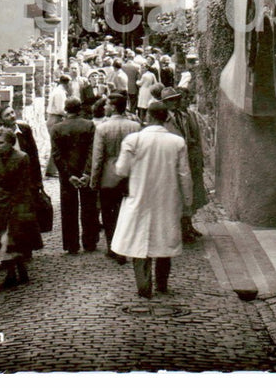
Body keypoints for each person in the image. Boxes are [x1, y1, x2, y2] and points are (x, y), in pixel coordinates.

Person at [111, 102, 192, 298]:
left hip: (140, 196)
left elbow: (121, 170)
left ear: (148, 117)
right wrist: (188, 201)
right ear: (166, 118)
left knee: (140, 241)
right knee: (165, 240)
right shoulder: (177, 142)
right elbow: (184, 174)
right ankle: (162, 284)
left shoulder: (134, 140)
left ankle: (143, 286)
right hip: (167, 197)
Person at [0, 127, 43, 287]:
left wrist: (19, 205)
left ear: (10, 143)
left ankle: (11, 274)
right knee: (0, 238)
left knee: (12, 238)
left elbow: (24, 184)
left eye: (1, 143)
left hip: (18, 200)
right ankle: (20, 269)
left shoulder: (22, 158)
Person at [90, 92, 140, 263]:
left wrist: (94, 181)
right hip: (130, 175)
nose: (104, 107)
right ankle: (126, 244)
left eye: (106, 105)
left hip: (108, 177)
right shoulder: (135, 126)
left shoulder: (102, 128)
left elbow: (97, 158)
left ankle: (113, 246)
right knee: (126, 211)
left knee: (108, 213)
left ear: (112, 107)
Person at [51, 97, 100, 255]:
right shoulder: (89, 125)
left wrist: (68, 175)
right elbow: (93, 151)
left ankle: (72, 244)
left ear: (66, 110)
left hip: (68, 175)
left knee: (68, 209)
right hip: (85, 173)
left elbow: (57, 155)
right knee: (89, 207)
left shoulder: (57, 128)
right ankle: (90, 241)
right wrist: (87, 172)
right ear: (80, 109)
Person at [162, 87, 207, 243]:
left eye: (176, 99)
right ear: (166, 103)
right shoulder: (165, 119)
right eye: (171, 100)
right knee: (176, 196)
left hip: (186, 160)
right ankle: (180, 229)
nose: (175, 102)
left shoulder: (184, 116)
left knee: (189, 194)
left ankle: (188, 225)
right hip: (173, 162)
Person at [45, 73, 70, 177]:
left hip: (53, 118)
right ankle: (51, 169)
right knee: (56, 145)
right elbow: (60, 109)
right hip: (55, 118)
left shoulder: (57, 91)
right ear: (66, 83)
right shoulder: (60, 93)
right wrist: (69, 114)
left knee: (57, 144)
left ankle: (53, 169)